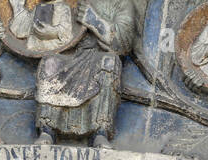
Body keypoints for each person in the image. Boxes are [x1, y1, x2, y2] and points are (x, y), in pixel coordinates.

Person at [26, 0, 136, 146]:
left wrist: (94, 20)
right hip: (68, 54)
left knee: (110, 61)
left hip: (97, 55)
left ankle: (100, 131)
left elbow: (124, 44)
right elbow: (39, 28)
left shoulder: (121, 3)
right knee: (50, 62)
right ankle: (47, 129)